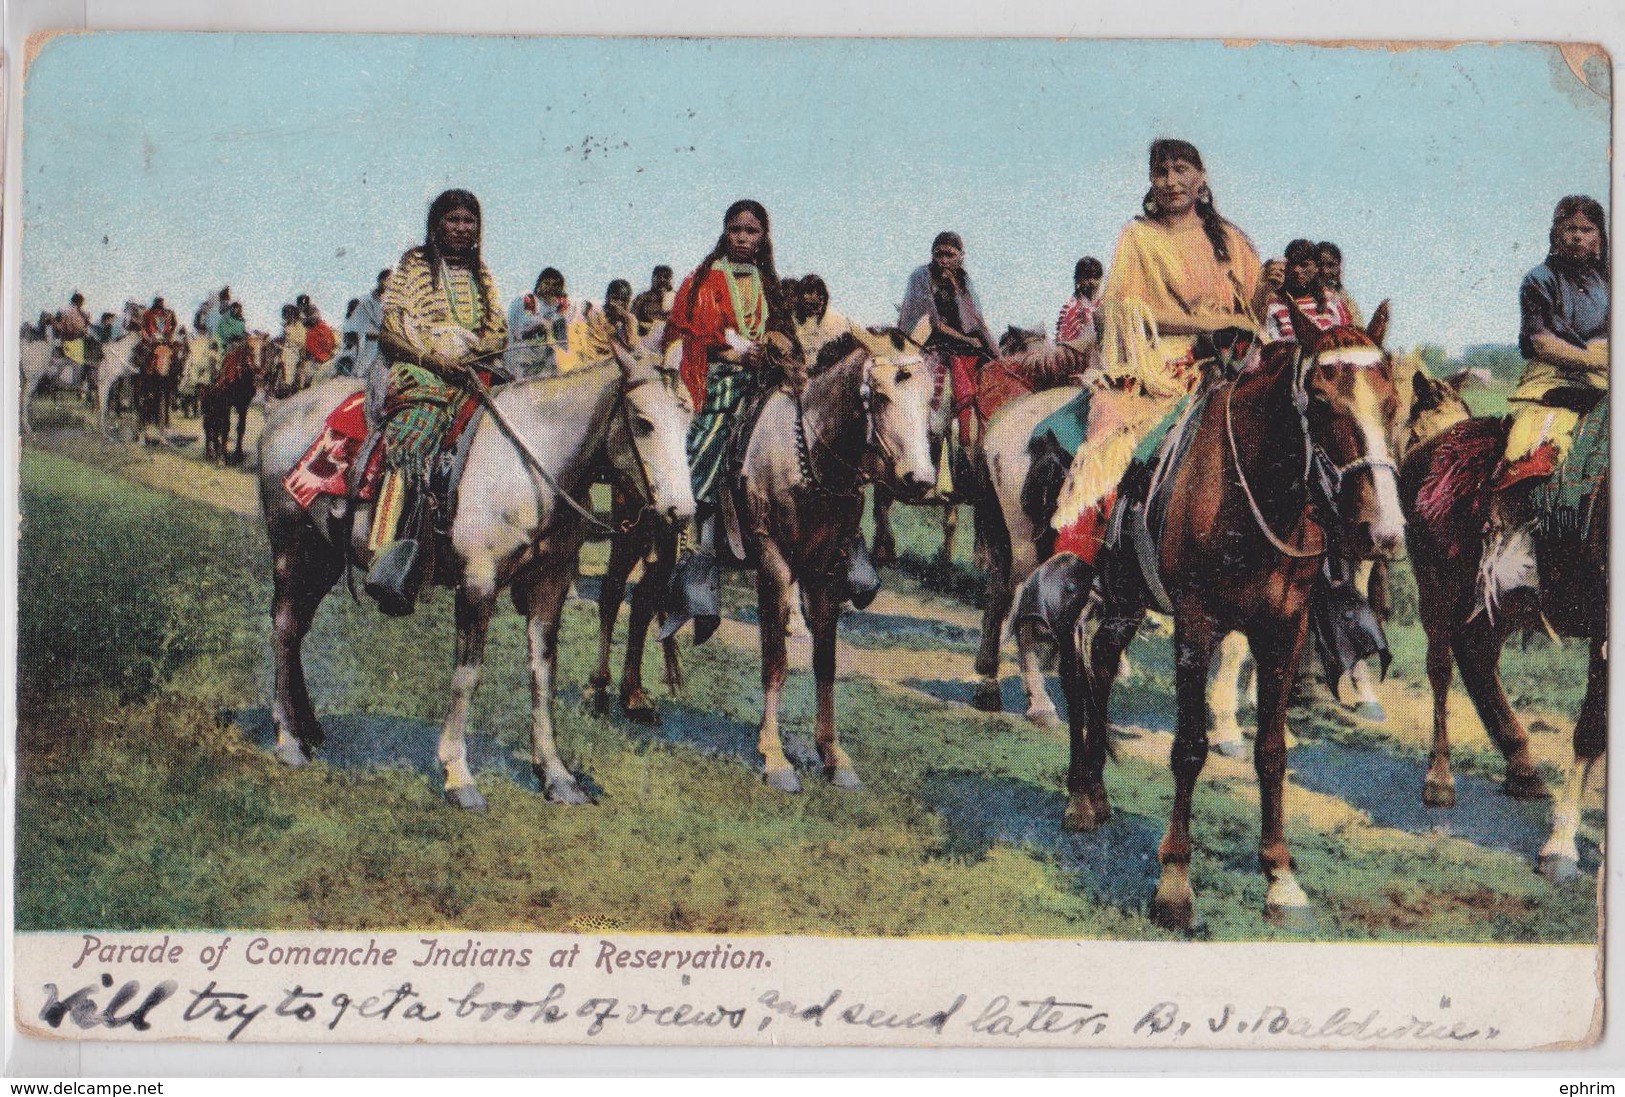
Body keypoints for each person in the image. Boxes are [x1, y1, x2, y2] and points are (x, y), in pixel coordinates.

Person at [1029, 138, 1268, 603]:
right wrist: (1208, 323)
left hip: (1228, 364)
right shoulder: (1139, 236)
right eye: (1161, 172)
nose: (1172, 181)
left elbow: (1251, 316)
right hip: (1157, 361)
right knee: (1110, 435)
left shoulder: (1231, 241)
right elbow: (1124, 312)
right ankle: (1076, 563)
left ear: (1202, 179)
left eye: (1182, 170)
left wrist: (1265, 294)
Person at [661, 199, 803, 640]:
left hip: (767, 377)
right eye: (736, 229)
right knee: (706, 443)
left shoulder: (771, 284)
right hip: (721, 376)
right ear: (725, 232)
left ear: (764, 237)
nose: (743, 237)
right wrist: (743, 353)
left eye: (752, 231)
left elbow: (782, 333)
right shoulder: (704, 278)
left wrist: (778, 347)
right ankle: (699, 558)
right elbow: (700, 337)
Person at [365, 188, 507, 614]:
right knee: (414, 434)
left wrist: (481, 348)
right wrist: (433, 358)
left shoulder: (483, 275)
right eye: (453, 220)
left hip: (471, 369)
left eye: (470, 222)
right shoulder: (413, 265)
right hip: (419, 367)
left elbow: (498, 328)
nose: (462, 229)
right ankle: (385, 555)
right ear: (435, 225)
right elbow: (390, 332)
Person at [1482, 195, 1609, 607]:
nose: (1577, 237)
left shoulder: (1611, 279)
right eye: (1569, 229)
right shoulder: (1539, 279)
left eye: (1586, 230)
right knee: (1531, 448)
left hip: (1605, 379)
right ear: (1555, 234)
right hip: (1550, 381)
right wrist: (1594, 356)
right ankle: (1519, 552)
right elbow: (1540, 341)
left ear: (1600, 237)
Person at [898, 231, 1000, 455]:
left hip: (962, 351)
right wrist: (968, 340)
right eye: (939, 254)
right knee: (932, 419)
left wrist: (955, 289)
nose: (943, 260)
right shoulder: (921, 276)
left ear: (961, 257)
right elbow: (932, 322)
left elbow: (973, 320)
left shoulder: (964, 281)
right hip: (929, 348)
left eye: (949, 255)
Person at [1263, 238, 1353, 343]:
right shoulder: (1274, 305)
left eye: (1304, 264)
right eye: (1292, 264)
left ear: (1316, 268)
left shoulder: (1332, 301)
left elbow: (1349, 341)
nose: (1296, 270)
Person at [505, 268, 570, 378]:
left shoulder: (554, 307)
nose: (550, 288)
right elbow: (522, 331)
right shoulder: (529, 300)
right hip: (521, 356)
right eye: (547, 283)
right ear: (539, 283)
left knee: (555, 359)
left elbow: (563, 343)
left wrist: (560, 317)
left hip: (541, 359)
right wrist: (548, 322)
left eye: (555, 285)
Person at [794, 274, 856, 361]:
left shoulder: (838, 322)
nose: (815, 297)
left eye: (820, 292)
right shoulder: (792, 323)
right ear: (799, 296)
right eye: (810, 291)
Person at [576, 279, 635, 362]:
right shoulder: (597, 316)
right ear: (607, 297)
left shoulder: (628, 319)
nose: (618, 303)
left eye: (623, 300)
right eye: (615, 298)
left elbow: (632, 347)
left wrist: (626, 318)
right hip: (596, 362)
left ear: (628, 301)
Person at [1056, 257, 1104, 347]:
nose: (1092, 282)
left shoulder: (1104, 305)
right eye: (1087, 277)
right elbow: (1064, 345)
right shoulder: (1071, 308)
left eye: (1096, 277)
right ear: (1078, 279)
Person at [1316, 242, 1362, 326]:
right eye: (1319, 265)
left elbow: (1360, 332)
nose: (1325, 271)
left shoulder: (1347, 302)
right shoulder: (1303, 298)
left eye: (1331, 265)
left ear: (1339, 268)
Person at [55, 292, 91, 386]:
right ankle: (76, 386)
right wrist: (86, 324)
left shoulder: (65, 310)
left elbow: (60, 327)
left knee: (67, 361)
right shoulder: (76, 312)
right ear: (79, 302)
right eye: (82, 303)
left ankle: (57, 379)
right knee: (78, 365)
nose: (82, 305)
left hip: (65, 340)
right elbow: (79, 327)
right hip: (76, 341)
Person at [631, 265, 675, 337]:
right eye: (658, 277)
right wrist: (650, 327)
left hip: (671, 340)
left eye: (666, 277)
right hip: (646, 339)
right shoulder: (642, 298)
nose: (662, 280)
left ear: (671, 280)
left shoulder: (678, 299)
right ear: (652, 279)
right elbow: (632, 321)